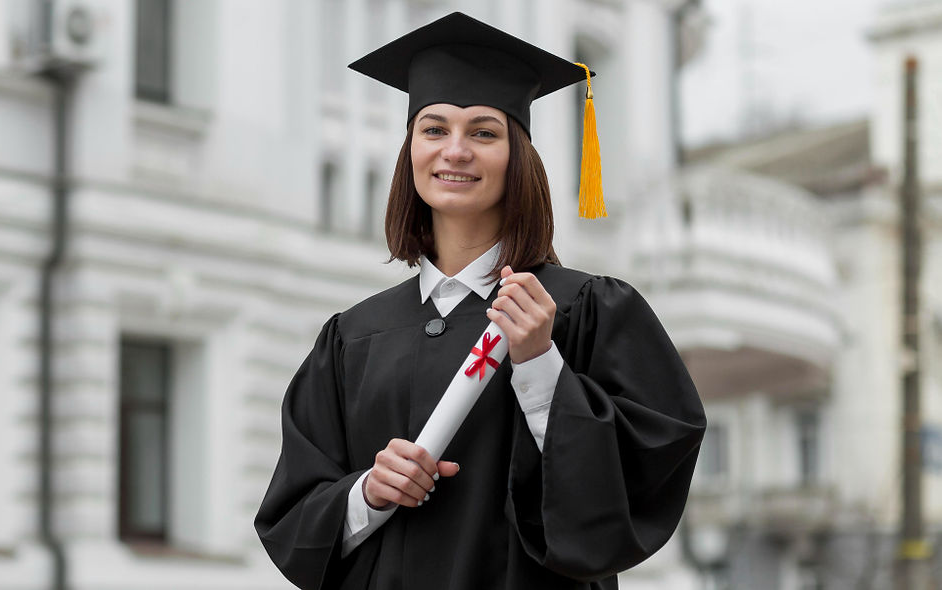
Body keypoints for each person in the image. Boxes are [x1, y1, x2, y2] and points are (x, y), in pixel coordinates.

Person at [255, 12, 705, 590]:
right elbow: (293, 518)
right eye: (434, 129)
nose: (456, 151)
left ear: (519, 156)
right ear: (410, 149)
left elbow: (637, 487)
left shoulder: (584, 310)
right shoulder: (352, 337)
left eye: (484, 132)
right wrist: (367, 492)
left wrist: (542, 368)